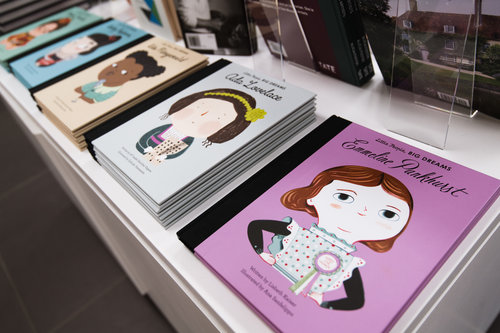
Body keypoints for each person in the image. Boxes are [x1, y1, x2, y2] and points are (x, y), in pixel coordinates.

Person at [247, 165, 413, 310]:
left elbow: (355, 300)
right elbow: (256, 225)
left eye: (389, 214)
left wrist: (323, 303)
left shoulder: (348, 265)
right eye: (344, 196)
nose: (362, 212)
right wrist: (260, 252)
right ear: (313, 196)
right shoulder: (294, 232)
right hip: (258, 284)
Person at [136, 88, 266, 165]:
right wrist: (144, 149)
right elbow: (143, 139)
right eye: (198, 107)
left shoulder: (187, 140)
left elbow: (177, 153)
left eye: (218, 119)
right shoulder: (165, 127)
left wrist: (160, 156)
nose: (203, 115)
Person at [74, 50, 165, 104]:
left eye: (124, 72)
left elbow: (91, 100)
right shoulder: (99, 82)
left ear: (134, 77)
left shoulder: (110, 92)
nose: (113, 70)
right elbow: (79, 89)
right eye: (115, 65)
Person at [36, 34, 121, 67]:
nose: (45, 61)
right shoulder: (60, 59)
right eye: (44, 63)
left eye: (42, 60)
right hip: (76, 50)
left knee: (90, 44)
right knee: (91, 45)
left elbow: (64, 49)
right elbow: (72, 56)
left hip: (73, 47)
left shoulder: (51, 54)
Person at [1, 18, 71, 50]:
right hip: (28, 35)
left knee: (9, 45)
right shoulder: (54, 25)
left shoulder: (53, 25)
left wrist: (43, 29)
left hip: (29, 36)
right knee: (8, 43)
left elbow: (42, 30)